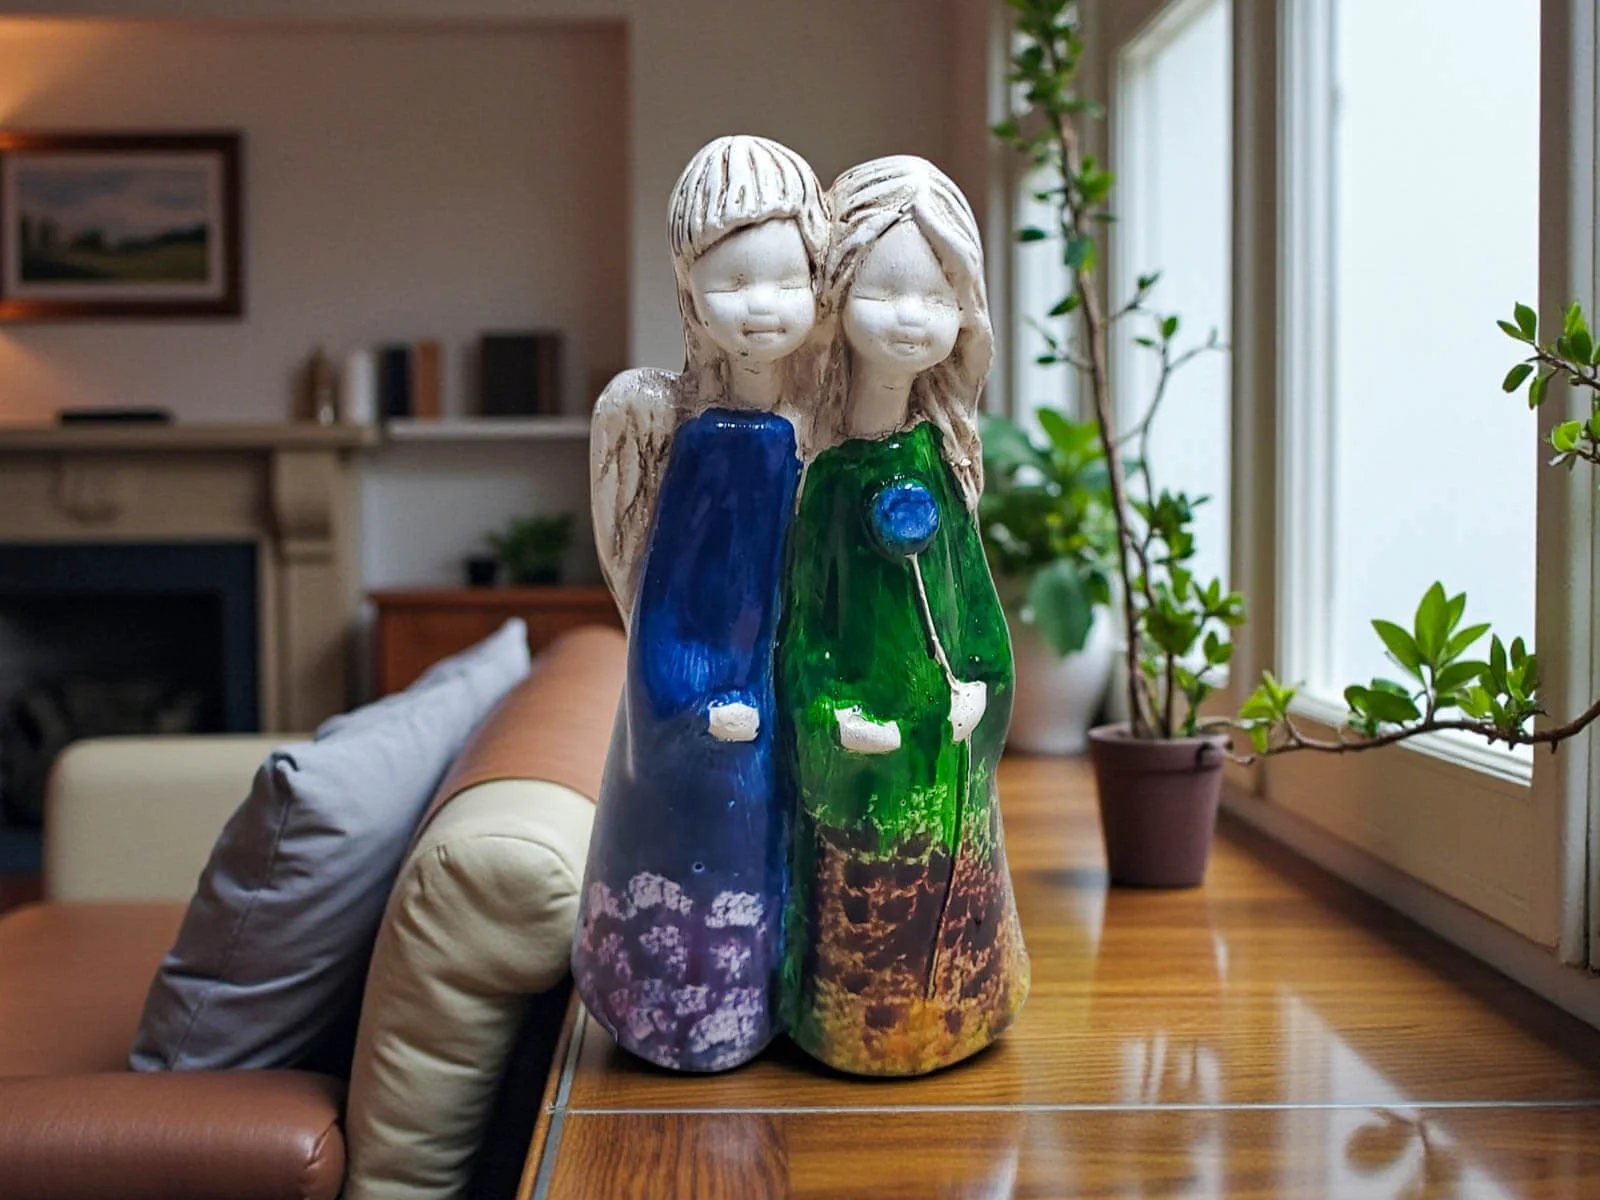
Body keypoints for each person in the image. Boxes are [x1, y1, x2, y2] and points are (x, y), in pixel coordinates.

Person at [573, 135, 829, 1072]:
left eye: (788, 280)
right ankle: (683, 1007)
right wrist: (692, 693)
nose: (763, 307)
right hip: (704, 702)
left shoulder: (823, 426)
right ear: (688, 287)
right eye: (734, 281)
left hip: (797, 693)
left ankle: (786, 994)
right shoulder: (657, 416)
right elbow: (641, 583)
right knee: (699, 856)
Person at [778, 156, 1029, 1076]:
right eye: (886, 294)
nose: (913, 318)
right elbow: (805, 628)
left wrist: (983, 687)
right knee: (868, 913)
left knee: (958, 894)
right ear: (839, 297)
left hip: (945, 745)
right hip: (870, 758)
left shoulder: (940, 463)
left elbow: (975, 608)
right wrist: (833, 716)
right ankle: (864, 1027)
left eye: (936, 296)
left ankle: (970, 1003)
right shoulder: (827, 480)